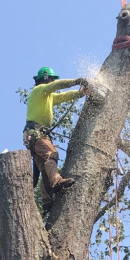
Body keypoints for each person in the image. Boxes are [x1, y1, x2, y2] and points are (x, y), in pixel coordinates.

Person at [23, 66, 85, 212]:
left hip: (33, 135)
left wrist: (82, 92)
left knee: (44, 169)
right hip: (36, 133)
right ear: (45, 78)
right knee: (52, 154)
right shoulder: (39, 90)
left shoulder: (48, 97)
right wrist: (77, 81)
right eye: (51, 79)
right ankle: (56, 181)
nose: (52, 82)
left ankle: (47, 202)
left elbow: (65, 96)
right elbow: (56, 85)